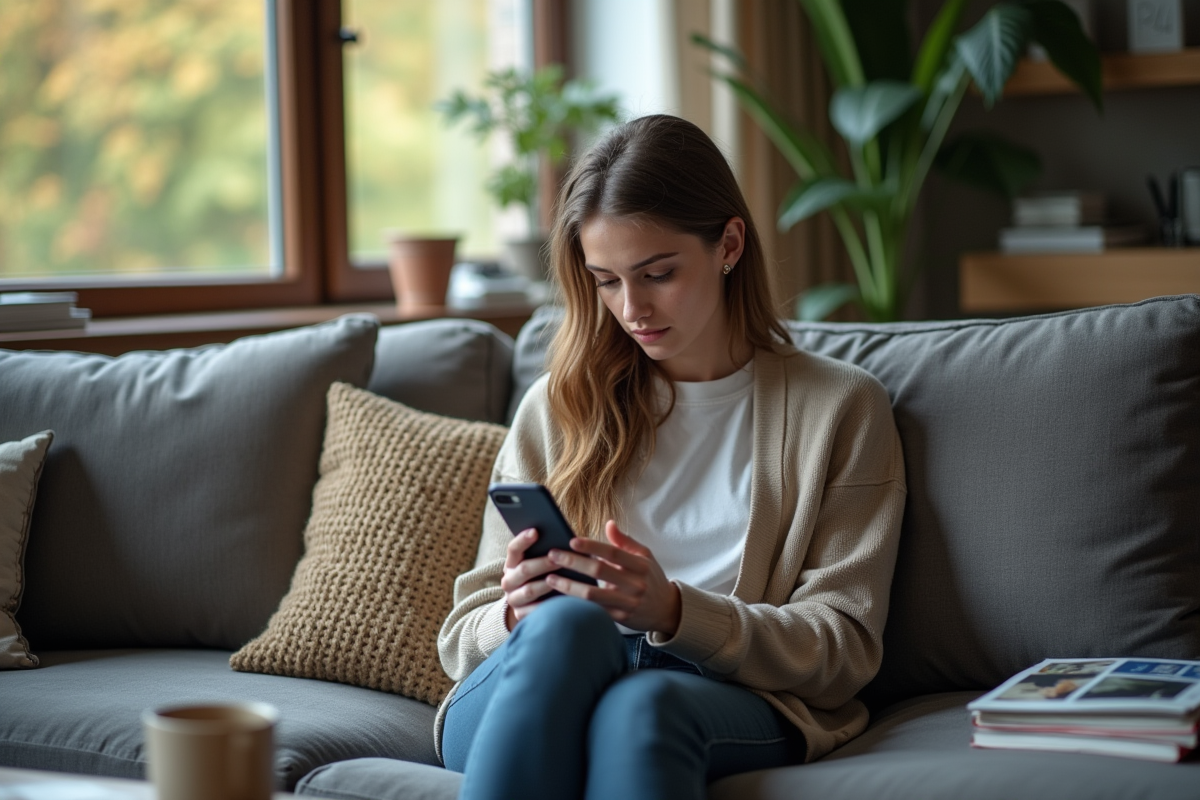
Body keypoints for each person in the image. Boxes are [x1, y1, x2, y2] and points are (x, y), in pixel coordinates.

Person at [436, 114, 906, 800]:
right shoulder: (558, 405)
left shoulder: (840, 409)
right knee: (568, 624)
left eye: (658, 273)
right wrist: (513, 611)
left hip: (715, 694)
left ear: (729, 244)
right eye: (606, 281)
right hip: (537, 680)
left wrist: (676, 613)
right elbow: (460, 637)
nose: (633, 309)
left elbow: (841, 648)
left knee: (643, 705)